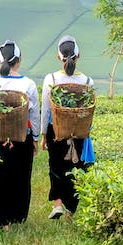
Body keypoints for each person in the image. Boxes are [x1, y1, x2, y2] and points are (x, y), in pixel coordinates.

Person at [0, 39, 40, 230]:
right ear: (19, 61)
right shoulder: (28, 84)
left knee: (1, 178)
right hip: (21, 137)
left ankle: (4, 221)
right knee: (21, 177)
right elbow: (34, 114)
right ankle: (18, 217)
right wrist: (35, 138)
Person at [40, 35, 95, 220]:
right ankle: (71, 211)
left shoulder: (51, 78)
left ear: (58, 57)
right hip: (78, 132)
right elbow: (89, 112)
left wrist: (42, 135)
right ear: (78, 56)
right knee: (75, 168)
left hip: (56, 130)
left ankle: (57, 204)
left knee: (56, 166)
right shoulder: (88, 81)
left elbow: (46, 109)